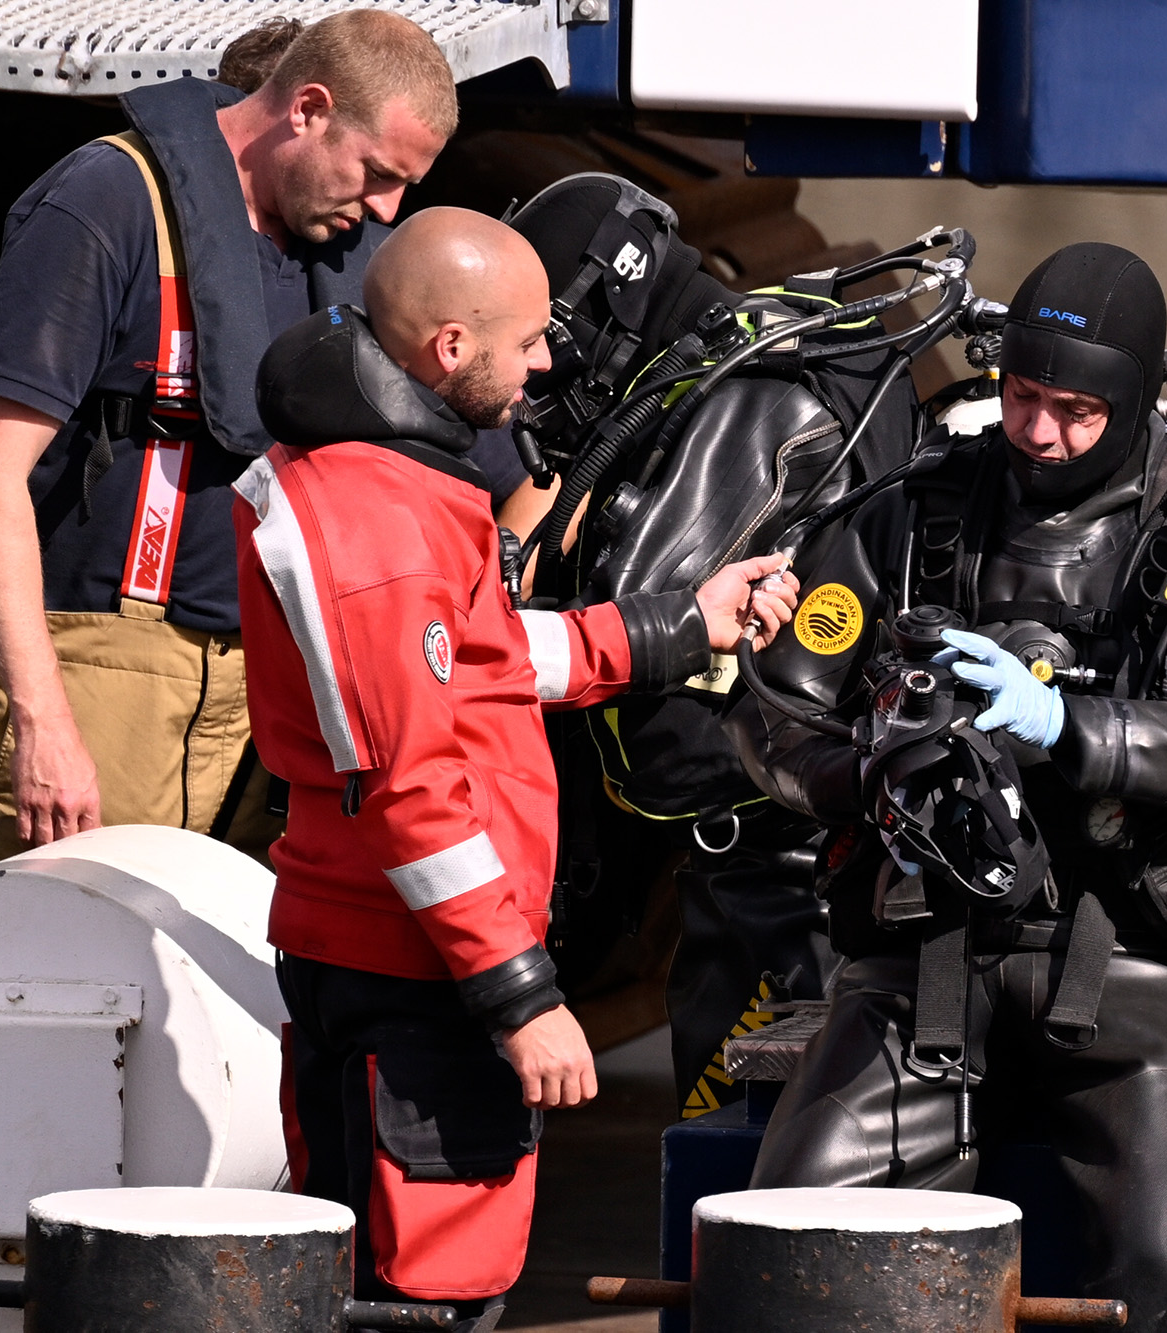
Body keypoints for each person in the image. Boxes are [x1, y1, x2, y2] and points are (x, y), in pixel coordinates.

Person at [729, 242, 1167, 1333]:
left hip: (1148, 959)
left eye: (1075, 410)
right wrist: (867, 772)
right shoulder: (912, 519)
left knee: (1165, 1274)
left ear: (1129, 404)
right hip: (926, 953)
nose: (1039, 433)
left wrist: (1079, 730)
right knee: (786, 1232)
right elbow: (770, 711)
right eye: (1022, 398)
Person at [236, 207, 798, 1326]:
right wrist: (522, 995)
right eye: (531, 340)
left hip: (391, 953)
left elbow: (483, 659)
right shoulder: (379, 530)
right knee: (432, 1293)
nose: (548, 362)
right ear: (450, 348)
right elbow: (410, 787)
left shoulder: (393, 483)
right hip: (417, 975)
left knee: (368, 1278)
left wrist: (679, 626)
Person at [0, 12, 529, 876]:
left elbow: (524, 470)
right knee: (41, 984)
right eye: (374, 172)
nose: (386, 207)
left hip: (277, 707)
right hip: (99, 678)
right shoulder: (107, 202)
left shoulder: (359, 255)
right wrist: (43, 718)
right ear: (308, 110)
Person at [503, 175, 920, 1116]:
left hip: (783, 868)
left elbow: (637, 620)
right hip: (787, 845)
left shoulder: (752, 401)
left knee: (741, 1133)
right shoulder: (771, 350)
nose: (539, 370)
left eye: (544, 337)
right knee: (745, 1127)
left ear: (605, 297)